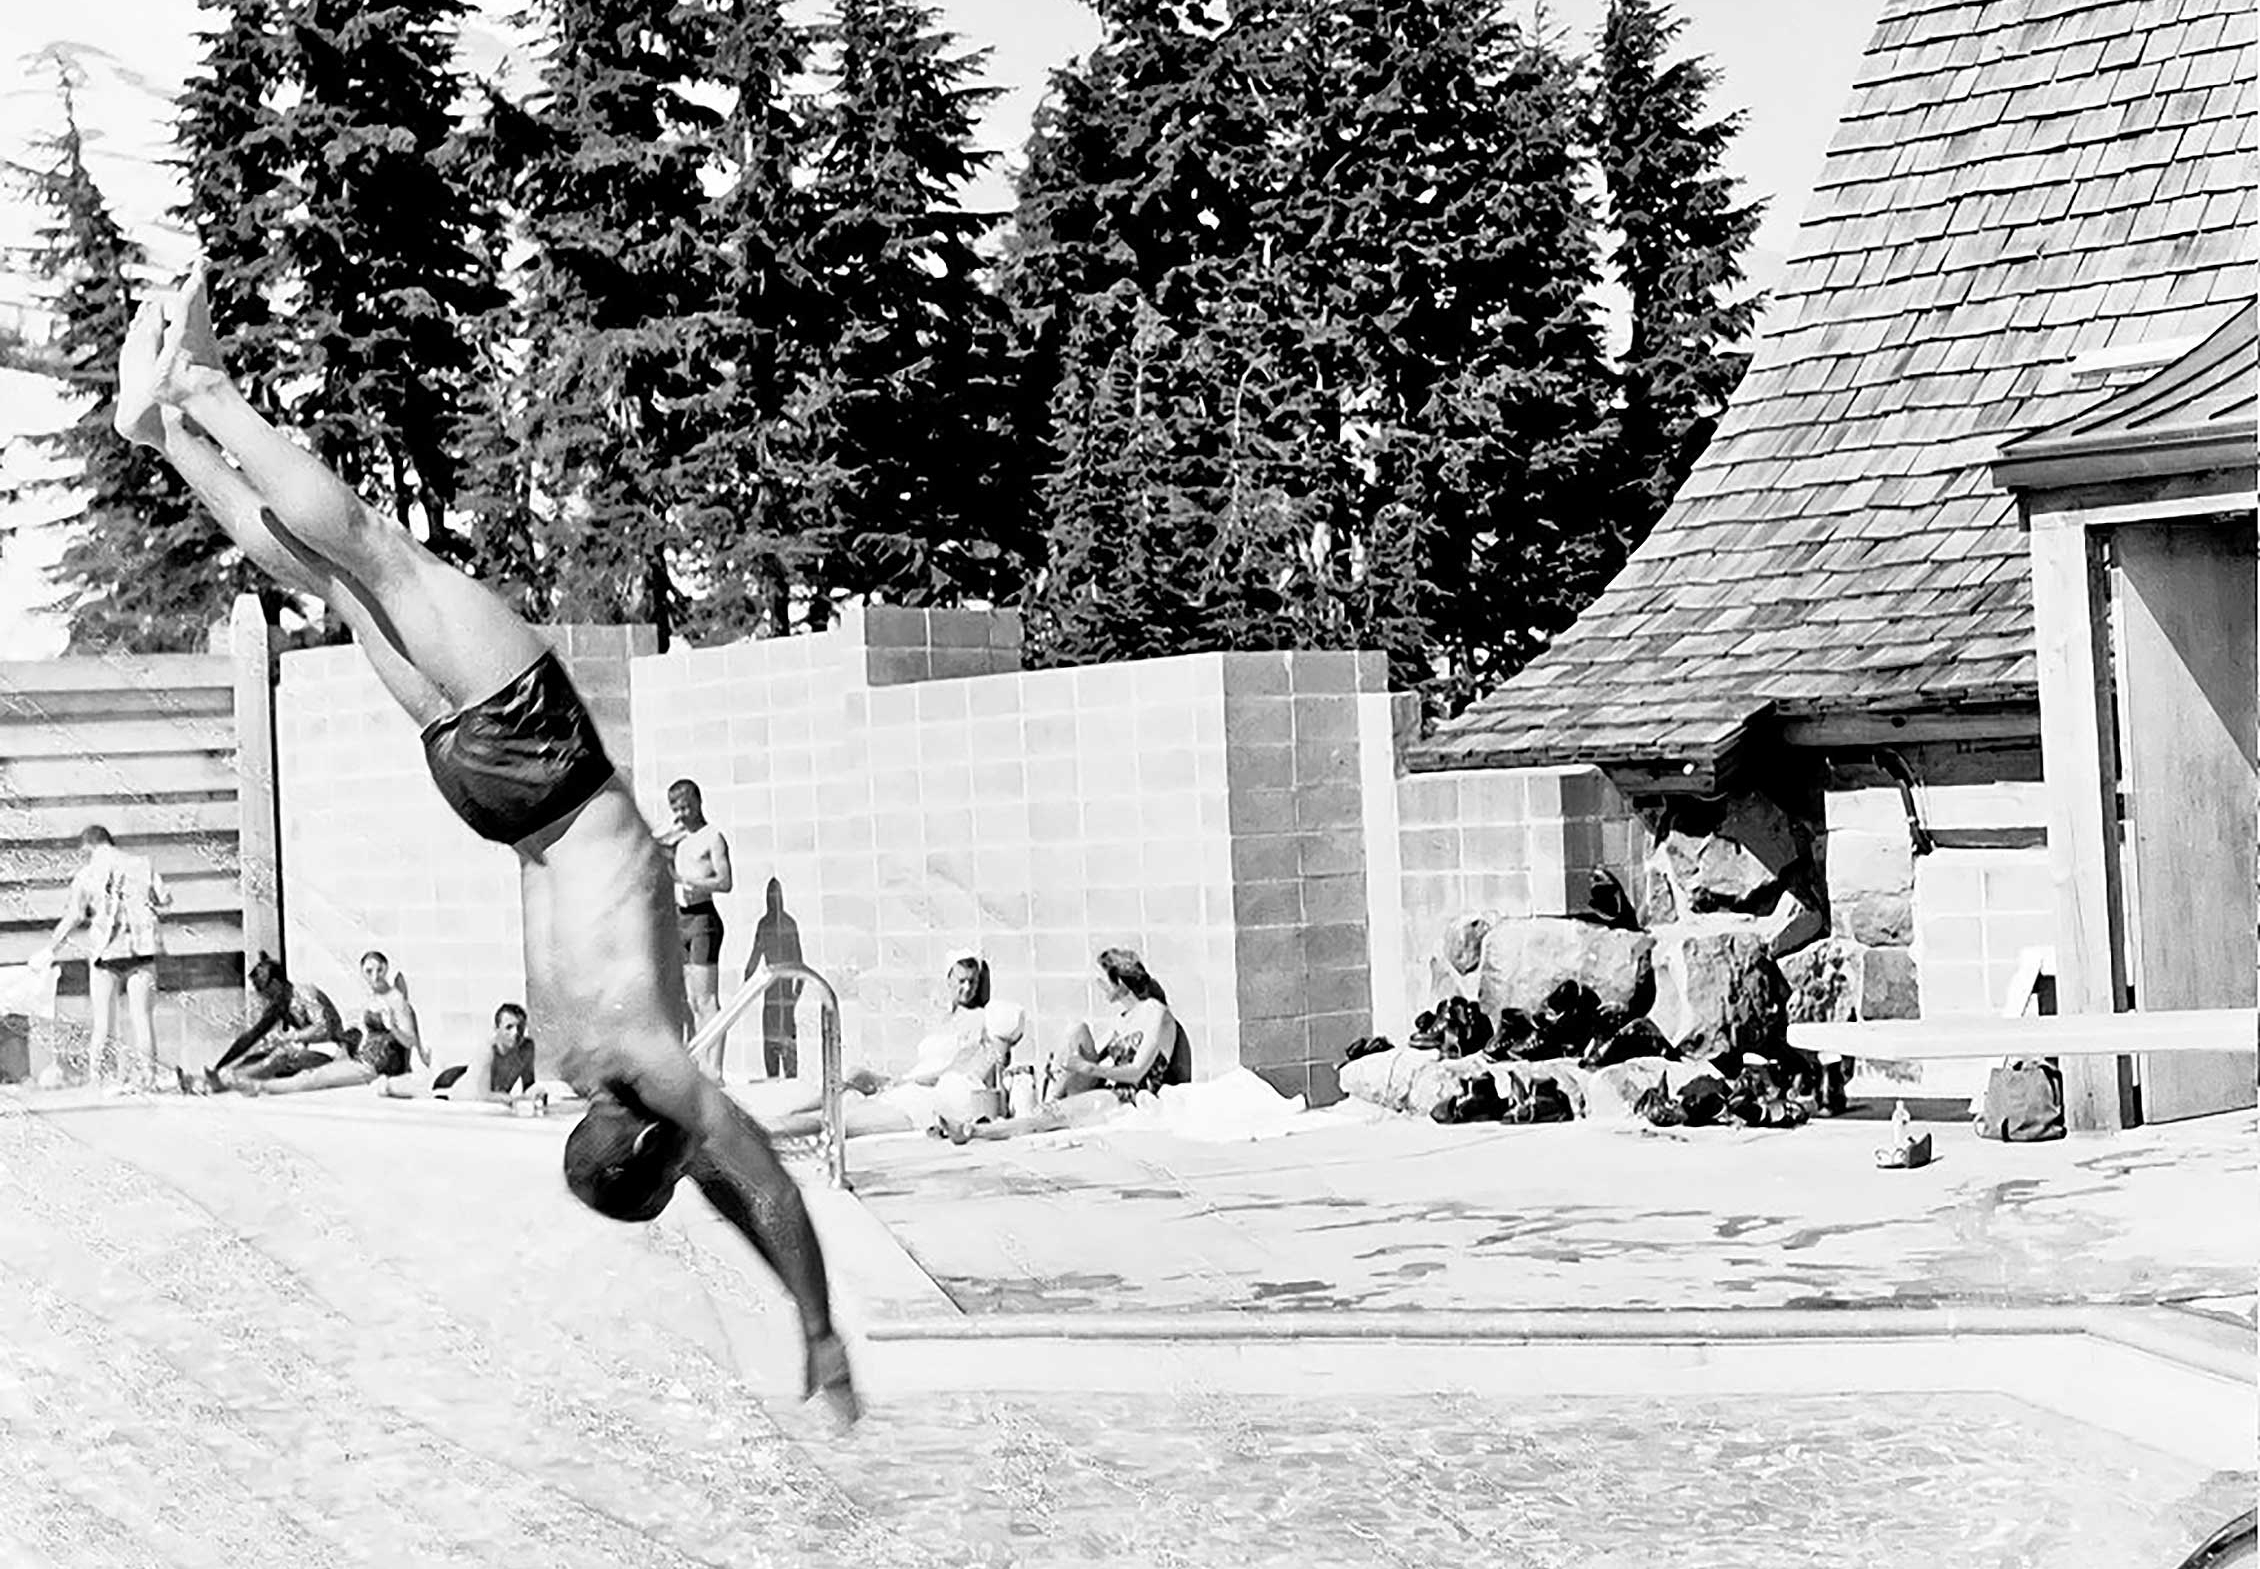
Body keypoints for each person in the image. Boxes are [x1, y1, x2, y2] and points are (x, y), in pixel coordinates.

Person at [118, 263, 856, 1421]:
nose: (696, 1163)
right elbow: (725, 1184)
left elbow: (759, 1192)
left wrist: (819, 1331)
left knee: (372, 549)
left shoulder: (654, 1070)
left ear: (652, 1148)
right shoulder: (577, 1064)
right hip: (485, 795)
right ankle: (167, 434)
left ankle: (203, 393)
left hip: (543, 764)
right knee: (337, 577)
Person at [937, 948, 1181, 1144]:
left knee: (1049, 1117)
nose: (1100, 985)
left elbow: (1137, 1072)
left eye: (1104, 980)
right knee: (1076, 1029)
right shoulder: (1122, 1019)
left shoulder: (1156, 1014)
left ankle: (972, 1131)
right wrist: (1064, 1064)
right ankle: (1046, 1099)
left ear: (1120, 982)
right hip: (1106, 1086)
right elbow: (1087, 1048)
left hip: (1127, 1095)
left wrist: (1085, 1068)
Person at [33, 824, 171, 1093]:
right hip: (140, 950)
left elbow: (74, 915)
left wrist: (50, 948)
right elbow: (165, 899)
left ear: (88, 846)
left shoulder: (86, 874)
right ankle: (148, 1078)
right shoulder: (143, 864)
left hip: (105, 954)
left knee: (103, 1022)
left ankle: (102, 1081)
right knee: (142, 1018)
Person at [206, 952, 353, 1093]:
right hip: (306, 1051)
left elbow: (323, 1028)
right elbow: (253, 1035)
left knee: (280, 1057)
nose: (264, 997)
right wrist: (220, 1065)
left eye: (264, 991)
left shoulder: (305, 993)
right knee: (257, 1056)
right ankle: (219, 1077)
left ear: (275, 983)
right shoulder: (280, 1002)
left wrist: (290, 1037)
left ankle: (224, 1082)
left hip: (330, 1050)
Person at [660, 779, 733, 1056]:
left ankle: (714, 1069)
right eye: (675, 809)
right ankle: (702, 1065)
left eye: (685, 808)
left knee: (707, 999)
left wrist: (689, 880)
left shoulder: (712, 837)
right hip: (681, 920)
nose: (680, 815)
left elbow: (725, 882)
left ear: (698, 802)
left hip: (703, 919)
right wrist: (670, 831)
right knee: (691, 1001)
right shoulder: (678, 840)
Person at [381, 1002, 540, 1101]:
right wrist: (514, 1100)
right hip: (454, 1088)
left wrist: (535, 1097)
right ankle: (388, 1085)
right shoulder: (489, 1050)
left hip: (466, 1074)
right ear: (496, 1029)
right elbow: (483, 1095)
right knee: (422, 1092)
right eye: (509, 1027)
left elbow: (529, 1086)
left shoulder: (527, 1048)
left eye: (520, 1027)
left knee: (427, 1083)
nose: (515, 1033)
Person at [352, 949, 427, 1079]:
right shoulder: (370, 998)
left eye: (379, 970)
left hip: (384, 1066)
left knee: (316, 1078)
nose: (375, 977)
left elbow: (410, 1042)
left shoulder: (396, 999)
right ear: (362, 972)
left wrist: (393, 1027)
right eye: (369, 971)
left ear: (386, 969)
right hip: (366, 1061)